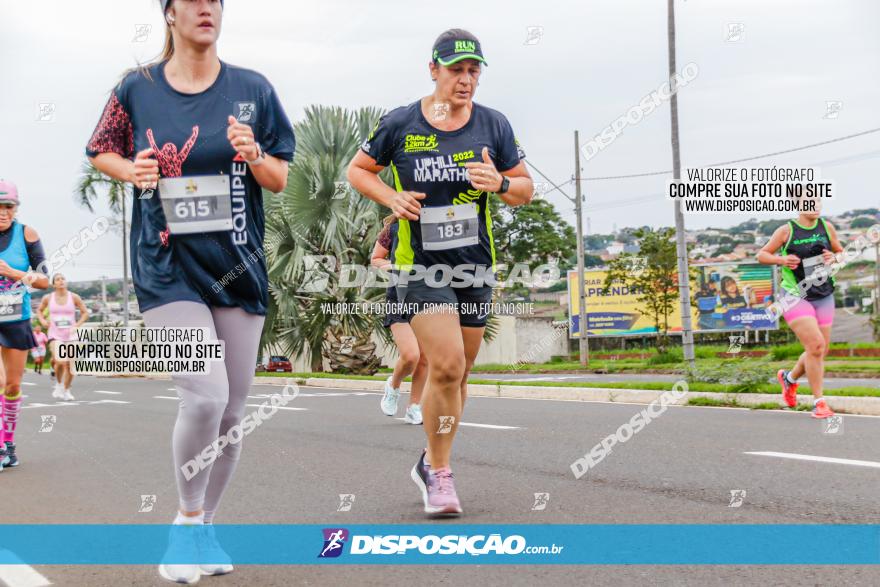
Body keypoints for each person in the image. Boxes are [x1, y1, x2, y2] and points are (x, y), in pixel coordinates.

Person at [87, 0, 294, 581]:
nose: (207, 8)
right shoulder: (137, 88)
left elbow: (279, 177)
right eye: (193, 1)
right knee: (202, 397)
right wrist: (132, 170)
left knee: (231, 413)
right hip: (165, 264)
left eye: (216, 0)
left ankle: (204, 528)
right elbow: (101, 148)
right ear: (170, 14)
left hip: (236, 263)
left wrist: (253, 154)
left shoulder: (253, 89)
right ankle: (183, 523)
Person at [348, 29, 533, 516]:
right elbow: (358, 170)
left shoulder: (493, 125)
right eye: (456, 70)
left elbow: (525, 189)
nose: (466, 79)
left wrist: (501, 182)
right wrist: (390, 196)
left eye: (474, 71)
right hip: (419, 267)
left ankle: (431, 460)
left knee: (460, 372)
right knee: (446, 365)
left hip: (474, 265)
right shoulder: (401, 123)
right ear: (434, 70)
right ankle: (443, 476)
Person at [757, 198, 842, 419]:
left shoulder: (826, 226)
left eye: (817, 202)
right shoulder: (786, 231)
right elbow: (762, 254)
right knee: (815, 345)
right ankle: (819, 403)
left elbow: (841, 253)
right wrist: (782, 259)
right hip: (795, 296)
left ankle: (789, 379)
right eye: (809, 202)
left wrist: (834, 257)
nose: (815, 206)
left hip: (823, 293)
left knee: (820, 350)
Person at [0, 180, 50, 471]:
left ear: (16, 208)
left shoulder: (27, 234)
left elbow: (43, 280)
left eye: (8, 206)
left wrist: (14, 273)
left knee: (14, 385)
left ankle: (9, 444)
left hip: (16, 319)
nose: (3, 212)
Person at [371, 216, 426, 424]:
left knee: (425, 359)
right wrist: (396, 267)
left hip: (429, 297)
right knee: (411, 355)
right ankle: (393, 386)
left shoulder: (435, 228)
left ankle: (414, 407)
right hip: (399, 297)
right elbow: (376, 258)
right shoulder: (393, 229)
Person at [38, 274, 89, 400]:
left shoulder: (74, 297)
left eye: (63, 279)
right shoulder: (48, 298)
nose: (61, 281)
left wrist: (77, 325)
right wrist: (43, 321)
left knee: (71, 364)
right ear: (54, 284)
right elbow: (39, 311)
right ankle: (59, 385)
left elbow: (85, 313)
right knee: (60, 361)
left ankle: (66, 390)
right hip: (55, 334)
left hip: (71, 335)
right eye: (58, 279)